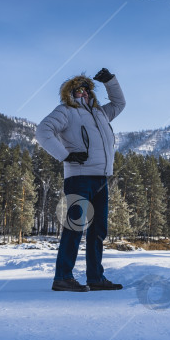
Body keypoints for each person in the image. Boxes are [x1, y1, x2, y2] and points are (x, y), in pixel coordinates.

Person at [36, 68, 126, 292]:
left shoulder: (100, 113)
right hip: (79, 177)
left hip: (101, 179)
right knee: (75, 227)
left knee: (98, 231)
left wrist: (110, 82)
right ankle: (63, 277)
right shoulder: (66, 111)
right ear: (70, 94)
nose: (83, 93)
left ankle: (95, 278)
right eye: (78, 90)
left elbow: (119, 103)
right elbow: (43, 130)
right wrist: (65, 155)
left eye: (86, 89)